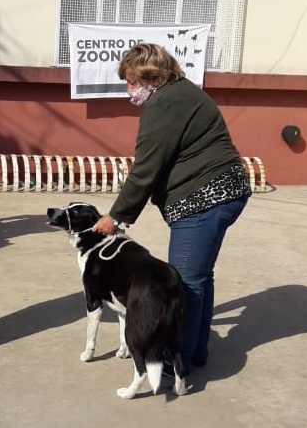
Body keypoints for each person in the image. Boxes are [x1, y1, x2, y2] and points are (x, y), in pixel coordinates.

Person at [92, 43, 251, 377]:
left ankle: (176, 361)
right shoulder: (179, 93)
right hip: (222, 192)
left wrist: (116, 215)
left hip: (204, 197)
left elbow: (146, 167)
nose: (128, 90)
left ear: (147, 76)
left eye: (130, 81)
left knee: (185, 282)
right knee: (200, 276)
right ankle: (197, 351)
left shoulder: (164, 102)